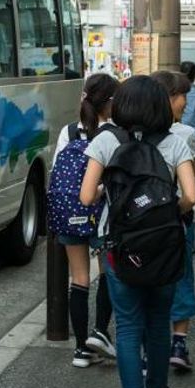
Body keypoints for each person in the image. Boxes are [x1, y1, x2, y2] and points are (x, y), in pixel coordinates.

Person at [80, 75, 195, 388]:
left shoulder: (106, 141)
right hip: (165, 245)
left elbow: (86, 197)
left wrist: (111, 192)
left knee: (129, 327)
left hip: (120, 246)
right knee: (159, 321)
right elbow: (191, 196)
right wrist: (169, 212)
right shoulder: (175, 142)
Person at [50, 73, 119, 368]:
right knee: (107, 274)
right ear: (111, 102)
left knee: (78, 278)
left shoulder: (68, 132)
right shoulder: (114, 134)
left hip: (70, 214)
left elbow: (56, 173)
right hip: (103, 216)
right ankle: (100, 332)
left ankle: (81, 349)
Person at [152, 70, 195, 372]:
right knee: (181, 278)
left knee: (147, 283)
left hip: (139, 224)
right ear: (169, 98)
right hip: (176, 220)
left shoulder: (127, 133)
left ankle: (149, 350)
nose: (185, 101)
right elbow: (191, 191)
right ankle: (179, 344)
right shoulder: (184, 135)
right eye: (182, 95)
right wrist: (176, 210)